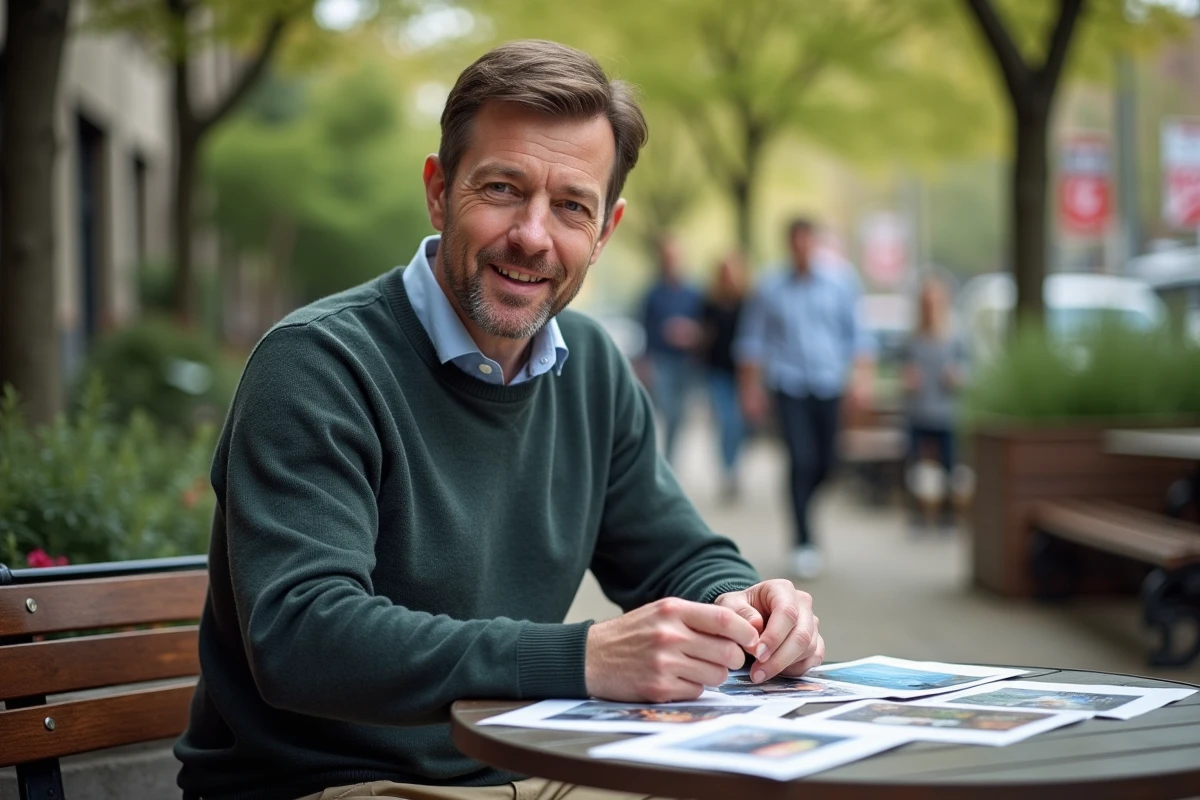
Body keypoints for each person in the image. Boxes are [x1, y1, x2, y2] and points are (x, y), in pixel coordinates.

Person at [175, 40, 823, 800]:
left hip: (525, 774)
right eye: (504, 189)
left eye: (571, 207)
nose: (533, 236)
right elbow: (302, 637)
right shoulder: (318, 367)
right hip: (329, 786)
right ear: (438, 190)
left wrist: (745, 607)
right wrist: (578, 659)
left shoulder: (591, 366)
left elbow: (674, 554)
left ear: (606, 230)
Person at [734, 218, 873, 580]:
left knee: (828, 462)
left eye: (807, 243)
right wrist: (750, 389)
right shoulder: (770, 287)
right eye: (795, 244)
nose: (802, 250)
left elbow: (858, 335)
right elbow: (752, 341)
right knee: (801, 458)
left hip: (829, 383)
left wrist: (861, 380)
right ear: (789, 245)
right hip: (789, 384)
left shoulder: (842, 282)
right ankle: (803, 540)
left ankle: (803, 507)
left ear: (815, 244)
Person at [900, 274, 967, 528]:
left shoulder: (955, 337)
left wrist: (958, 376)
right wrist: (907, 379)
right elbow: (903, 370)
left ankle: (948, 515)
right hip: (917, 411)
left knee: (949, 467)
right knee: (916, 469)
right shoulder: (913, 339)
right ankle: (918, 514)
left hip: (945, 412)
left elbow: (968, 369)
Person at [638, 234, 703, 463]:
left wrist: (692, 334)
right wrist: (644, 362)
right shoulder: (652, 293)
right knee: (666, 408)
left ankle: (670, 458)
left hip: (687, 362)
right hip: (661, 359)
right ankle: (660, 458)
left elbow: (705, 327)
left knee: (680, 413)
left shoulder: (695, 293)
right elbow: (644, 328)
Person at [699, 252, 748, 502]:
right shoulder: (710, 303)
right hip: (717, 371)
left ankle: (735, 468)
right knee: (725, 422)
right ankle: (727, 471)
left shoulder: (747, 303)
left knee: (739, 425)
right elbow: (704, 336)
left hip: (741, 373)